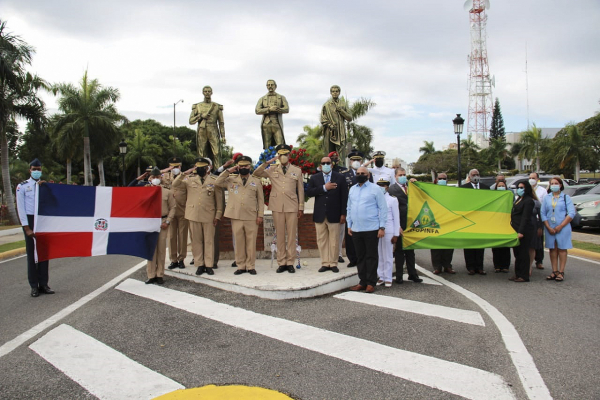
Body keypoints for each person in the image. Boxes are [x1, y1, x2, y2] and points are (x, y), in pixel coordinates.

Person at [253, 144, 304, 273]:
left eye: (285, 154)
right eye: (281, 155)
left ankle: (290, 262)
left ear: (289, 155)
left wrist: (301, 207)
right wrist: (268, 162)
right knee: (280, 235)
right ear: (278, 156)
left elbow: (300, 190)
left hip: (292, 206)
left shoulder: (296, 170)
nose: (283, 157)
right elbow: (256, 173)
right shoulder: (272, 169)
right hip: (277, 206)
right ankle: (281, 262)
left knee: (292, 235)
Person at [172, 157, 224, 276]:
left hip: (209, 215)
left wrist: (218, 215)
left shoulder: (214, 180)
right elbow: (175, 184)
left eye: (202, 167)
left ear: (207, 168)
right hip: (193, 214)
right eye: (198, 167)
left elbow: (219, 201)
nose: (200, 169)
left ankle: (209, 265)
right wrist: (185, 173)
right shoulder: (189, 180)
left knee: (209, 241)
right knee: (196, 241)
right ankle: (199, 264)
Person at [215, 156, 264, 275]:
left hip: (251, 216)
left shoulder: (256, 181)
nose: (243, 168)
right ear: (238, 167)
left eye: (245, 166)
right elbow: (217, 182)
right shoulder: (231, 179)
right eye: (241, 166)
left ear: (250, 166)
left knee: (251, 242)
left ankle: (250, 266)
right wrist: (229, 170)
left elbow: (260, 200)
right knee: (239, 242)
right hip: (236, 215)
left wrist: (260, 215)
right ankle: (241, 265)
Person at [16, 158, 53, 298]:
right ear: (29, 170)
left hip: (43, 220)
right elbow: (21, 208)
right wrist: (26, 228)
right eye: (34, 169)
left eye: (39, 169)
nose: (36, 171)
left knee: (44, 253)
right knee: (32, 255)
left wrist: (46, 189)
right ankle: (34, 286)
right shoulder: (23, 186)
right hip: (30, 221)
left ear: (41, 170)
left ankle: (44, 284)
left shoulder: (44, 186)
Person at [347, 167, 387, 293]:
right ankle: (362, 282)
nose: (360, 175)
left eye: (362, 173)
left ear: (368, 175)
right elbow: (349, 208)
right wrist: (349, 225)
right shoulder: (352, 189)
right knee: (360, 257)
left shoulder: (375, 189)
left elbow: (383, 208)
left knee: (371, 256)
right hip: (356, 229)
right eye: (358, 173)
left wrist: (382, 227)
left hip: (371, 228)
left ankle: (371, 283)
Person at [305, 156, 348, 273]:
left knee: (334, 240)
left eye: (328, 163)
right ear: (320, 165)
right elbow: (309, 192)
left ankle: (333, 263)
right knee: (322, 240)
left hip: (335, 214)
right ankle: (325, 263)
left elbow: (344, 197)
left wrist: (343, 214)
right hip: (320, 214)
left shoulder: (340, 177)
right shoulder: (315, 178)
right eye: (323, 163)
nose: (325, 165)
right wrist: (324, 187)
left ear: (332, 164)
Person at [388, 167, 423, 283]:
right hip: (400, 224)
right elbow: (391, 210)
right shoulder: (392, 189)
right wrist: (396, 226)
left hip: (412, 224)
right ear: (395, 176)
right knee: (399, 251)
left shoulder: (411, 187)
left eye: (404, 174)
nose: (403, 177)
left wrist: (415, 184)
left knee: (410, 251)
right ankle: (399, 276)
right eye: (400, 175)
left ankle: (412, 274)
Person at [145, 168, 176, 284]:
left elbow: (173, 207)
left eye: (157, 177)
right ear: (150, 179)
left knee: (161, 249)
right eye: (153, 177)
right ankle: (151, 274)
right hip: (149, 222)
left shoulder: (167, 192)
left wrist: (168, 221)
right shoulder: (145, 191)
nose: (155, 180)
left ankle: (160, 274)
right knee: (151, 250)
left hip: (162, 221)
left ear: (161, 178)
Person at [541, 177, 575, 282]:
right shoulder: (547, 198)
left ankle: (561, 271)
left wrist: (561, 226)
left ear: (560, 185)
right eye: (552, 183)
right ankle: (554, 271)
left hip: (563, 227)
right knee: (552, 249)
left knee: (562, 248)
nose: (554, 185)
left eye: (556, 183)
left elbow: (571, 213)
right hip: (550, 227)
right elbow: (543, 213)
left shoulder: (566, 197)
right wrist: (547, 226)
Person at [460, 169, 490, 275]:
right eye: (473, 175)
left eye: (477, 174)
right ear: (469, 176)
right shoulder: (463, 188)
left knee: (480, 245)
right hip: (468, 221)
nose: (476, 176)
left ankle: (480, 267)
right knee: (469, 245)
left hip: (481, 221)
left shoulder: (486, 188)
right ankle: (470, 267)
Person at [189, 86, 225, 168]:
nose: (207, 93)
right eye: (205, 91)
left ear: (211, 93)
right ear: (203, 93)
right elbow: (191, 121)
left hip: (213, 129)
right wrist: (201, 116)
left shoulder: (216, 106)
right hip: (202, 129)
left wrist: (223, 136)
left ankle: (217, 172)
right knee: (201, 153)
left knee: (216, 152)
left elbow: (221, 123)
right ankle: (201, 171)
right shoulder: (197, 106)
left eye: (209, 91)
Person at [162, 158, 188, 270]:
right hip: (170, 213)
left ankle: (181, 259)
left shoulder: (186, 177)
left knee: (182, 236)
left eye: (177, 167)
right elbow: (151, 176)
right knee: (171, 237)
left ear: (180, 166)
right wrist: (167, 170)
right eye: (173, 167)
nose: (175, 169)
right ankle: (173, 259)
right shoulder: (165, 177)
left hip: (183, 211)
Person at [375, 178, 400, 287]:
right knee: (379, 254)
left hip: (389, 229)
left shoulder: (392, 200)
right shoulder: (375, 199)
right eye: (379, 185)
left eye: (383, 185)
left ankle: (388, 277)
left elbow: (396, 217)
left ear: (387, 187)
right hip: (377, 229)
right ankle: (381, 276)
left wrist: (396, 234)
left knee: (388, 255)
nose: (382, 187)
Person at [510, 181, 535, 282]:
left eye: (522, 187)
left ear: (527, 188)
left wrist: (521, 232)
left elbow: (525, 217)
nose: (520, 189)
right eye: (519, 187)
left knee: (523, 254)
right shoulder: (519, 199)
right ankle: (517, 274)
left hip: (524, 230)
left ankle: (524, 276)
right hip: (515, 229)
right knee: (517, 254)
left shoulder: (529, 201)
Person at [430, 172, 455, 274]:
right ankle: (437, 266)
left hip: (449, 221)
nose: (442, 180)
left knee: (448, 245)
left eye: (444, 178)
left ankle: (447, 265)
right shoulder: (431, 191)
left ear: (447, 180)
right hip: (435, 221)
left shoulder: (452, 192)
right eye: (440, 178)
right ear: (436, 180)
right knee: (436, 246)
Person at [255, 79, 289, 149]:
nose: (270, 86)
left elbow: (286, 109)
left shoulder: (281, 97)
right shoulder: (262, 99)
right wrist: (269, 109)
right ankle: (267, 159)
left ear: (275, 86)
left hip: (277, 124)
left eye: (272, 85)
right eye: (268, 85)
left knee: (281, 146)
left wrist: (277, 109)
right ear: (266, 86)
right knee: (267, 146)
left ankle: (280, 159)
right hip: (266, 125)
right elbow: (257, 110)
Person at [321, 85, 352, 158]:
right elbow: (323, 119)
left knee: (341, 153)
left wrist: (342, 111)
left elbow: (349, 118)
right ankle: (328, 167)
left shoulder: (343, 104)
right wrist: (330, 125)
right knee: (329, 153)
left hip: (340, 131)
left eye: (336, 91)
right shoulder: (326, 105)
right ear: (331, 93)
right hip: (329, 131)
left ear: (339, 93)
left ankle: (341, 167)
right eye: (333, 91)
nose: (335, 93)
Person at [491, 179, 511, 273]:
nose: (501, 187)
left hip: (506, 223)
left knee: (505, 246)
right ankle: (497, 266)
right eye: (499, 186)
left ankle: (505, 265)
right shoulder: (493, 198)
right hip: (495, 224)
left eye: (503, 186)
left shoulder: (509, 197)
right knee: (496, 247)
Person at [529, 172, 547, 270]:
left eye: (533, 178)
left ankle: (539, 261)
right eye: (530, 177)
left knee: (538, 242)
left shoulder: (542, 191)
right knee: (530, 243)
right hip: (529, 221)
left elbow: (544, 206)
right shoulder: (526, 189)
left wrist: (541, 225)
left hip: (538, 220)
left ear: (537, 179)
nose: (531, 179)